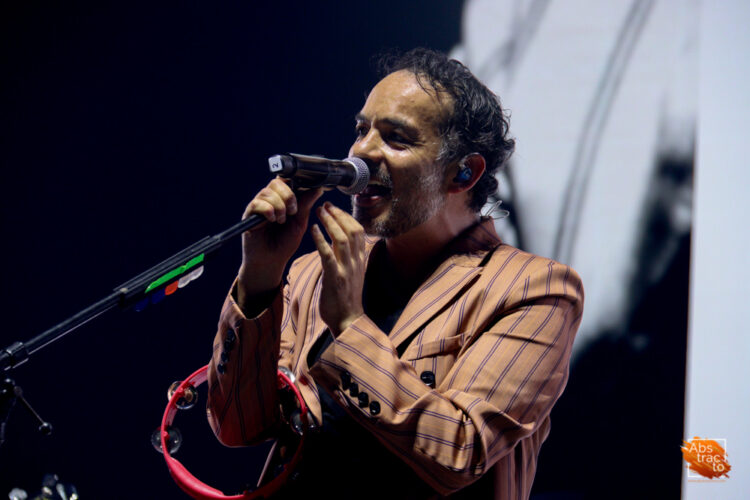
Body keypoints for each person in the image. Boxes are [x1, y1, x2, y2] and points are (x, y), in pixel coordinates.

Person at [206, 48, 583, 499]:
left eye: (396, 138)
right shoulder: (312, 272)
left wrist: (348, 326)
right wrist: (261, 277)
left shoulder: (534, 289)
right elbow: (236, 425)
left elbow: (460, 451)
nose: (360, 154)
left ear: (464, 172)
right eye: (361, 130)